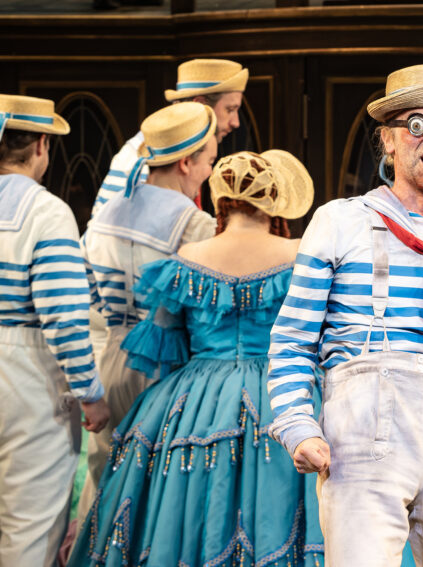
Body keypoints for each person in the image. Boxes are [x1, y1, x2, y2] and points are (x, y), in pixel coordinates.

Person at [267, 63, 423, 566]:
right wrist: (298, 424)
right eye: (415, 124)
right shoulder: (341, 223)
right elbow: (292, 340)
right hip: (361, 443)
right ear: (388, 140)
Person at [69, 149, 317, 566]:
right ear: (273, 202)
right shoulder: (299, 253)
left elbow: (165, 339)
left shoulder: (187, 261)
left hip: (196, 396)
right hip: (283, 389)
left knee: (189, 505)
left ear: (220, 201)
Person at [75, 102, 218, 523]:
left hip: (112, 356)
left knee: (103, 475)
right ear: (187, 163)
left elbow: (89, 291)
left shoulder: (105, 216)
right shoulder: (192, 224)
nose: (210, 171)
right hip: (166, 368)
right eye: (208, 161)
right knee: (157, 482)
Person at [0, 94, 109, 565]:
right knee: (28, 525)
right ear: (42, 144)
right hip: (22, 372)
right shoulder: (45, 213)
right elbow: (64, 317)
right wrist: (89, 392)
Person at [89, 58, 248, 221]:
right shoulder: (149, 158)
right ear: (199, 104)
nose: (235, 122)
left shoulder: (176, 149)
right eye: (230, 109)